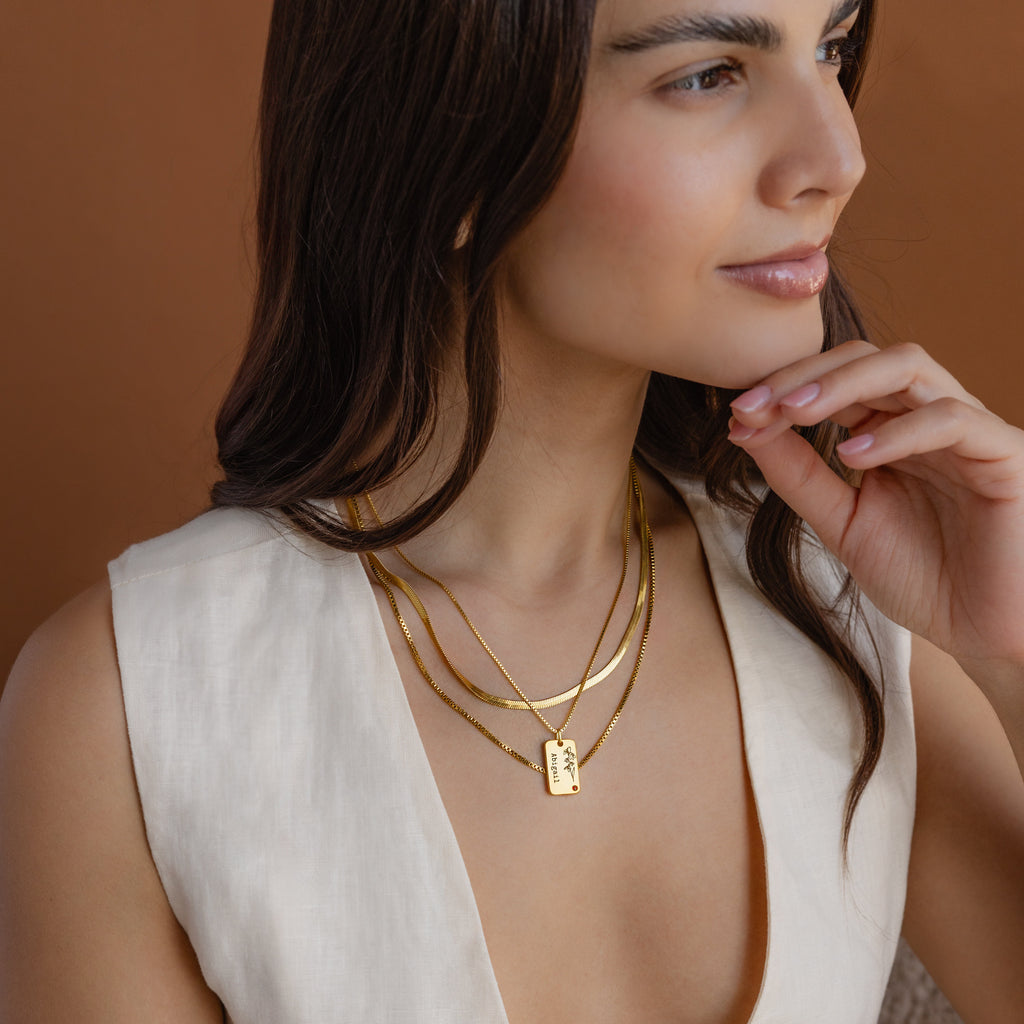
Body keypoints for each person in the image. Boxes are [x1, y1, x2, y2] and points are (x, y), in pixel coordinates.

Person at [2, 0, 1022, 1020]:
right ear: (444, 144)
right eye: (707, 75)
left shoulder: (852, 604)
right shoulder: (133, 705)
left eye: (831, 49)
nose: (838, 159)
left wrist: (1011, 650)